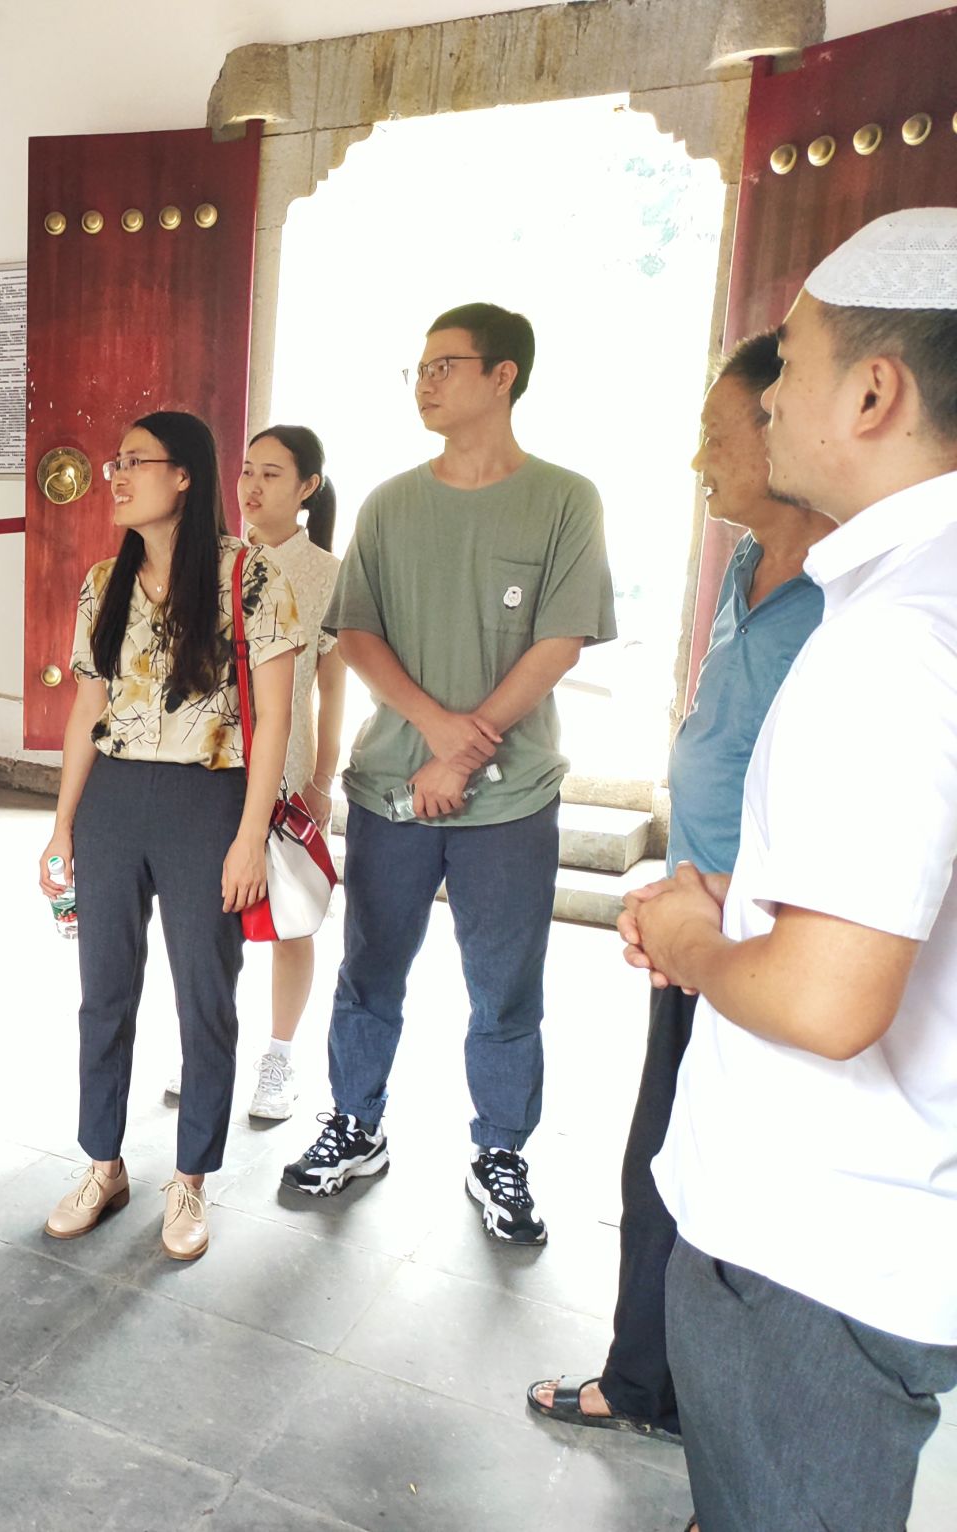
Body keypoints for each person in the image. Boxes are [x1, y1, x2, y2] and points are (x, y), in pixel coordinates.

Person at [626, 208, 957, 1531]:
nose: (767, 396)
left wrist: (688, 935)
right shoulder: (911, 592)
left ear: (873, 393)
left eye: (794, 359)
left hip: (816, 1246)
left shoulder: (897, 636)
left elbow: (827, 1000)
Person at [526, 331, 825, 1444]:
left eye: (716, 434)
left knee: (735, 1183)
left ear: (788, 426)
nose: (701, 459)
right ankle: (650, 1379)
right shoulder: (749, 567)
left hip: (778, 944)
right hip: (698, 930)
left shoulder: (858, 598)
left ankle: (706, 1409)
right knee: (662, 1154)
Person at [284, 302, 616, 1245]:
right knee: (369, 970)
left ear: (503, 376)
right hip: (393, 787)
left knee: (505, 987)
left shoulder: (565, 499)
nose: (426, 383)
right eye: (419, 369)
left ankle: (500, 1151)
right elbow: (356, 631)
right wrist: (436, 734)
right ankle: (355, 1124)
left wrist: (466, 752)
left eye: (445, 365)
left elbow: (562, 640)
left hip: (512, 800)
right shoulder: (392, 502)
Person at [39, 411, 298, 1261]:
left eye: (135, 461)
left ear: (184, 474)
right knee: (103, 993)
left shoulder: (249, 576)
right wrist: (63, 825)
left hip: (206, 802)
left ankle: (189, 1180)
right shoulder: (102, 581)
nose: (115, 476)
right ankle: (102, 1164)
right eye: (115, 462)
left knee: (204, 997)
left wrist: (250, 835)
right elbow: (87, 707)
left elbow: (274, 719)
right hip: (113, 800)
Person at [163, 424, 346, 1123]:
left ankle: (279, 1057)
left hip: (287, 772)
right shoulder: (210, 560)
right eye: (246, 471)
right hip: (207, 767)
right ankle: (205, 1050)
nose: (252, 486)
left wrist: (323, 778)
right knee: (204, 921)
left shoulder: (327, 575)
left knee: (289, 919)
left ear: (307, 488)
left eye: (272, 474)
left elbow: (332, 687)